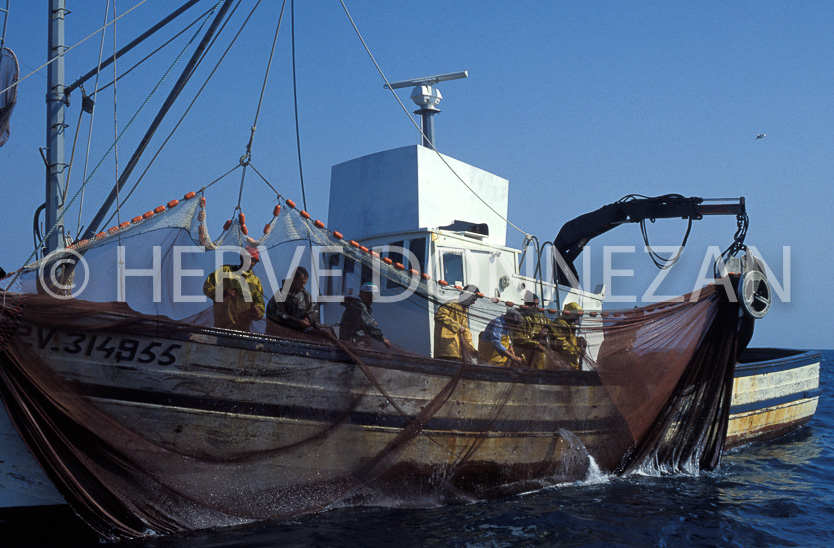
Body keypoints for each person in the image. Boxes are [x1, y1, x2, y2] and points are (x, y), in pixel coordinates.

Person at [202, 246, 265, 331]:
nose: (250, 262)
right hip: (221, 328)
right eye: (247, 258)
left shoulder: (256, 282)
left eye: (253, 260)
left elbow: (260, 307)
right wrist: (223, 293)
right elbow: (207, 286)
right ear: (241, 258)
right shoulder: (226, 271)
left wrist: (257, 312)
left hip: (243, 330)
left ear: (255, 263)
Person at [433, 284, 479, 361]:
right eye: (474, 299)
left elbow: (465, 330)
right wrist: (457, 326)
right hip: (446, 347)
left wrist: (472, 349)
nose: (474, 302)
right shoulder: (451, 304)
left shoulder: (464, 309)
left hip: (457, 350)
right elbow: (439, 315)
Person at [266, 267, 319, 333]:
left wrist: (308, 318)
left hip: (301, 336)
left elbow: (314, 311)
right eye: (301, 282)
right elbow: (277, 315)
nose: (303, 286)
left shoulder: (307, 296)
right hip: (281, 335)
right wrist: (298, 322)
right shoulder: (279, 295)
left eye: (305, 283)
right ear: (293, 279)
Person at [339, 282, 391, 347]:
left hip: (354, 341)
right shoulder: (358, 306)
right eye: (371, 295)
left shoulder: (362, 307)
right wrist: (382, 339)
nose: (373, 298)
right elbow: (368, 324)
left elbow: (365, 323)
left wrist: (372, 322)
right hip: (350, 341)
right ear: (362, 294)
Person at [512, 292, 552, 370]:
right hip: (522, 354)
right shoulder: (518, 317)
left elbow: (554, 327)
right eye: (533, 304)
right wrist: (536, 344)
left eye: (537, 304)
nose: (536, 306)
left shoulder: (542, 318)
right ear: (526, 304)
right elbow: (517, 337)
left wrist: (547, 329)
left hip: (537, 356)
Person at [552, 301, 586, 369]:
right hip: (562, 365)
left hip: (570, 364)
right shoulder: (561, 324)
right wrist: (577, 350)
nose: (578, 319)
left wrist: (578, 340)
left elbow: (570, 340)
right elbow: (561, 344)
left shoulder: (570, 324)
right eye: (576, 316)